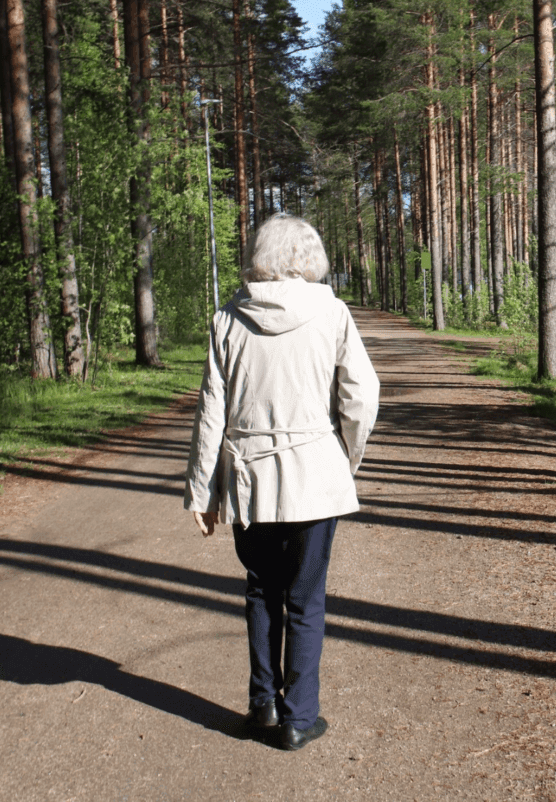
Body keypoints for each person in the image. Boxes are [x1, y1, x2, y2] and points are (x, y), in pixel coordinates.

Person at [184, 213, 379, 751]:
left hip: (251, 482)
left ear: (261, 255)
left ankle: (263, 705)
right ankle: (299, 718)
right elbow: (361, 397)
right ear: (308, 257)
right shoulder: (333, 313)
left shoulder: (228, 318)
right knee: (305, 598)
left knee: (262, 592)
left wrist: (201, 491)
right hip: (315, 474)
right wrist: (347, 457)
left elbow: (211, 413)